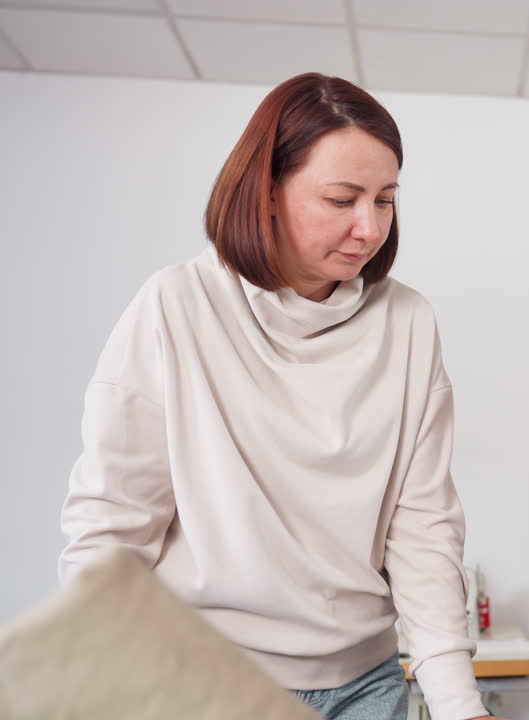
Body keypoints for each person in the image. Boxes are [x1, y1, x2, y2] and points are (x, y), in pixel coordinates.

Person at [58, 73, 499, 720]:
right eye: (342, 198)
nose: (369, 227)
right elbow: (111, 524)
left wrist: (461, 706)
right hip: (205, 682)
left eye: (385, 199)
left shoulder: (407, 323)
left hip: (365, 685)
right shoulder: (176, 306)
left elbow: (422, 529)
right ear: (267, 192)